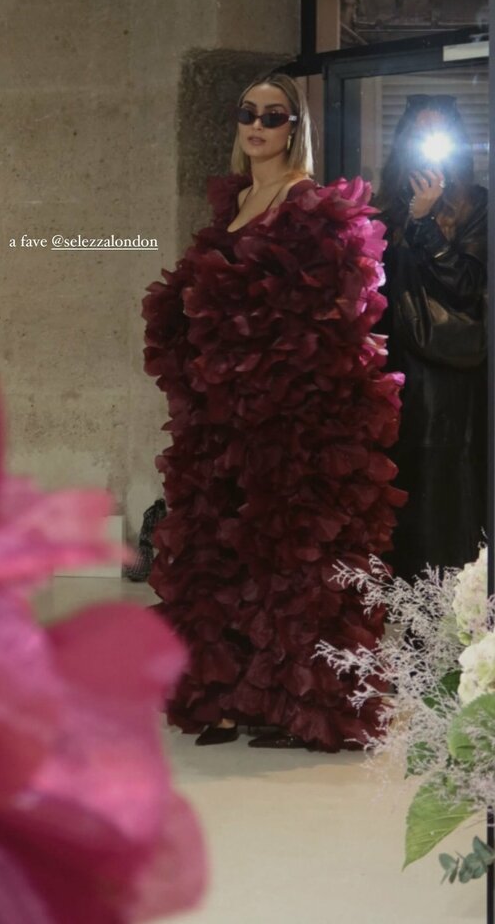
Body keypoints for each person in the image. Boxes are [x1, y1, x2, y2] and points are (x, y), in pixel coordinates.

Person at [141, 72, 404, 751]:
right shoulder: (237, 198)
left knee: (287, 554)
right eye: (247, 112)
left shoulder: (304, 200)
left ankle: (298, 706)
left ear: (295, 127)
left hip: (288, 415)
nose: (257, 125)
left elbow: (333, 308)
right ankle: (231, 697)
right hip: (223, 414)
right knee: (222, 549)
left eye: (273, 115)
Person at [374, 94, 488, 582]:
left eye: (437, 133)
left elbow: (468, 284)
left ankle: (444, 601)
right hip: (388, 363)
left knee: (442, 487)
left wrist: (425, 223)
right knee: (394, 482)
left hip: (445, 371)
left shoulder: (475, 203)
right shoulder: (384, 204)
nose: (426, 144)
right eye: (418, 133)